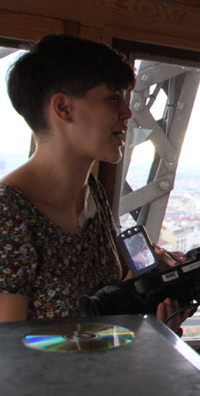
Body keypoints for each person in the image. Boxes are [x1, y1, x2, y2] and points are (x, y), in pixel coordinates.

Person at [0, 34, 188, 330]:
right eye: (114, 98)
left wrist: (144, 312)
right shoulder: (8, 214)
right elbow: (9, 359)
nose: (127, 112)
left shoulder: (92, 195)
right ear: (63, 108)